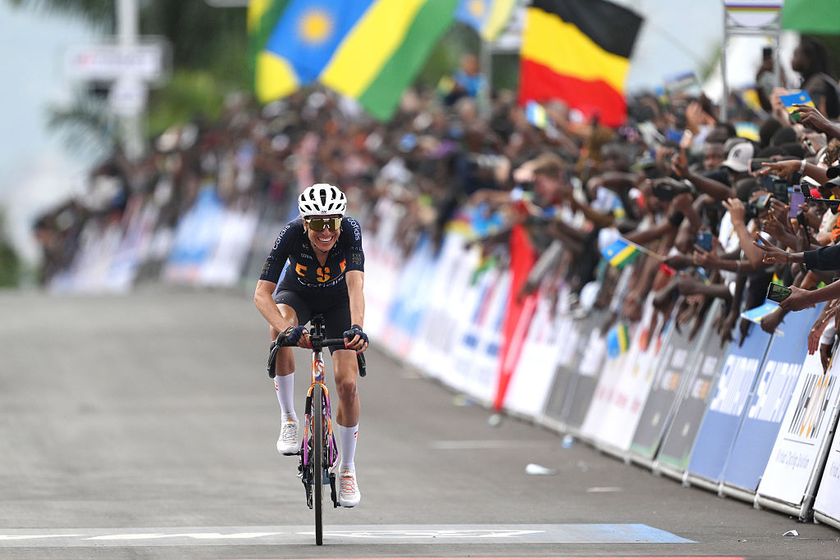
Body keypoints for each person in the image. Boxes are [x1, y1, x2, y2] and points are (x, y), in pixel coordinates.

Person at [253, 183, 369, 508]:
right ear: (305, 223)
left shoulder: (350, 231)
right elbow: (261, 294)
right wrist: (287, 330)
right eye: (318, 223)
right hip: (298, 294)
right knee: (278, 330)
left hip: (338, 303)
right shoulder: (291, 233)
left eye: (332, 222)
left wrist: (358, 327)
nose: (326, 231)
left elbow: (356, 285)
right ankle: (289, 418)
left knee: (348, 384)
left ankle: (347, 468)